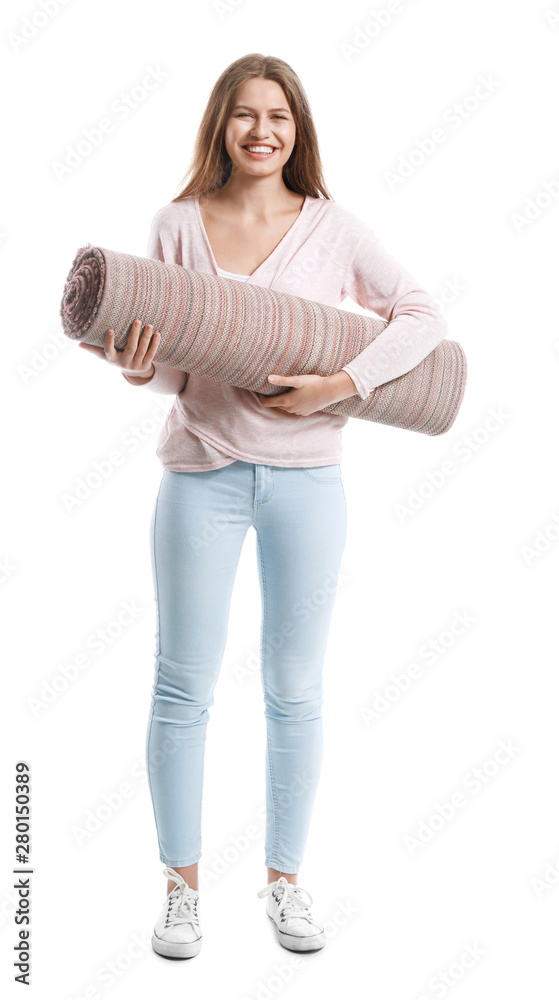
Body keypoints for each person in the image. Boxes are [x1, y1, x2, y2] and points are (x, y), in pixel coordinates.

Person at [79, 52, 448, 960]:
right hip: (198, 473)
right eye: (244, 115)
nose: (260, 132)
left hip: (307, 481)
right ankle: (180, 891)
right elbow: (171, 371)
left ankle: (284, 884)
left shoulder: (333, 227)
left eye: (277, 117)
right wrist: (134, 363)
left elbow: (422, 315)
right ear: (220, 125)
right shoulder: (174, 226)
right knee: (182, 686)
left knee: (295, 692)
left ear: (297, 129)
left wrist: (338, 384)